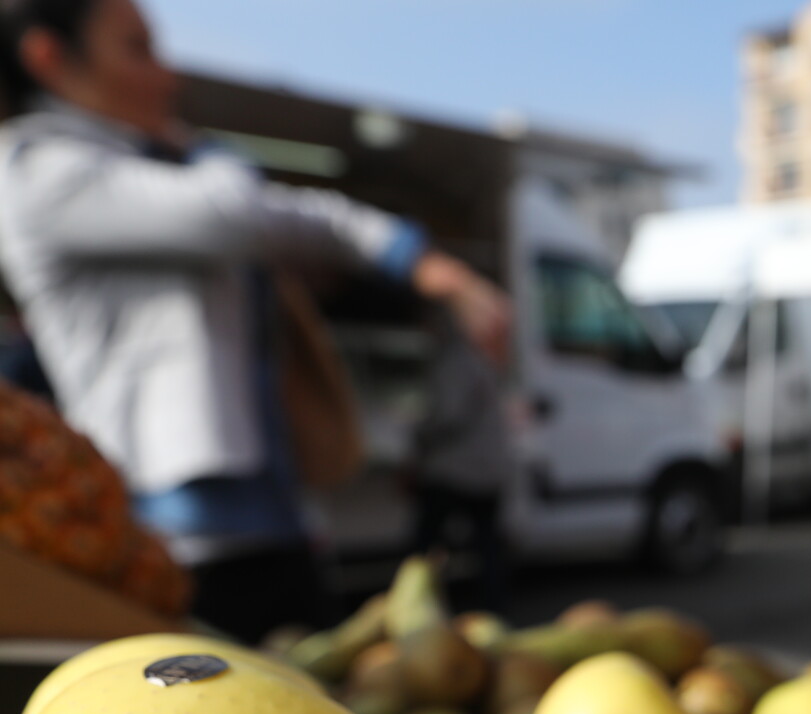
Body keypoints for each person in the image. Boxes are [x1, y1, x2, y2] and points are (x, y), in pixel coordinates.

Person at [0, 0, 508, 641]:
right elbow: (237, 213)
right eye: (137, 49)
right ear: (48, 57)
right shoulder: (41, 173)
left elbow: (304, 218)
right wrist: (200, 145)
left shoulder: (157, 172)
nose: (168, 76)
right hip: (177, 538)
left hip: (274, 517)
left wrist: (425, 264)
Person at [410, 304, 513, 615]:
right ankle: (491, 608)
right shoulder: (476, 359)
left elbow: (449, 416)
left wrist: (419, 437)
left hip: (457, 472)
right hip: (485, 470)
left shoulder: (455, 362)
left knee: (426, 545)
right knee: (486, 547)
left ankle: (422, 603)